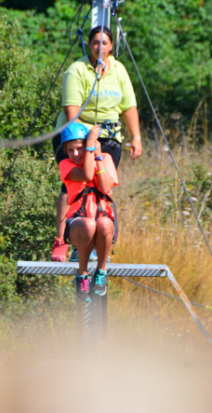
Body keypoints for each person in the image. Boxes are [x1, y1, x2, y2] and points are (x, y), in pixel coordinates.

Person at [51, 25, 142, 262]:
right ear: (89, 45)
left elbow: (129, 106)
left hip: (108, 134)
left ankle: (101, 245)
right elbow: (71, 112)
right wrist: (88, 143)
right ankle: (63, 240)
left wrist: (136, 137)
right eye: (95, 43)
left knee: (102, 186)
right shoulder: (77, 70)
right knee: (75, 182)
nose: (99, 47)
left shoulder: (119, 70)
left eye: (104, 43)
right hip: (75, 131)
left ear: (112, 46)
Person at [59, 122, 118, 301]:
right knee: (88, 223)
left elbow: (106, 187)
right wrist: (91, 145)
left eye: (79, 149)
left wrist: (98, 157)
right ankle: (82, 275)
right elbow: (85, 175)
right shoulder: (66, 165)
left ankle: (101, 273)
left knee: (105, 223)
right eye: (70, 150)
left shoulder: (105, 158)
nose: (75, 154)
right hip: (78, 224)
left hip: (102, 225)